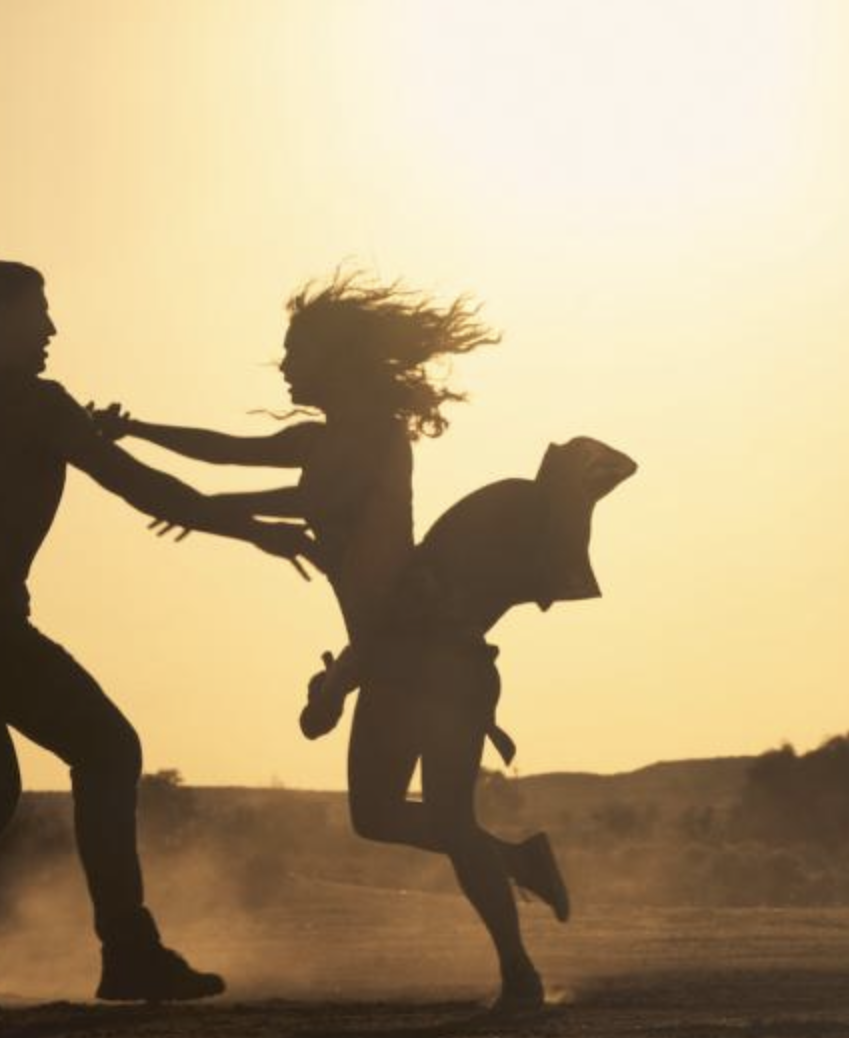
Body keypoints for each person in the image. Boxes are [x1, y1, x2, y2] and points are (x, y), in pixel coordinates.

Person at [93, 272, 575, 1014]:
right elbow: (225, 449)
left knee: (449, 820)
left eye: (297, 351)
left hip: (438, 664)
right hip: (393, 659)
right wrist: (135, 432)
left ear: (337, 357)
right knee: (375, 816)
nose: (286, 366)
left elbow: (311, 500)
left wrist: (200, 510)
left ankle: (520, 976)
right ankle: (517, 859)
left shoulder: (377, 438)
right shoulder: (321, 440)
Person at [0, 261, 311, 1015]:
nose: (52, 329)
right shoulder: (35, 402)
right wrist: (251, 528)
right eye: (39, 314)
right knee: (108, 750)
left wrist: (76, 428)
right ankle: (128, 953)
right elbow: (140, 486)